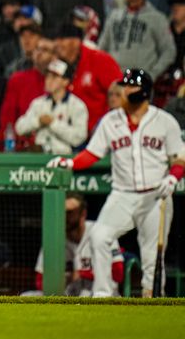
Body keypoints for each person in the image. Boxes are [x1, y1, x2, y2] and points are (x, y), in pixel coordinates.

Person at [48, 69, 183, 297]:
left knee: (152, 255)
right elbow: (92, 153)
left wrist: (173, 177)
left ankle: (152, 300)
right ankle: (103, 293)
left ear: (145, 92)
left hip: (155, 196)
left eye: (131, 86)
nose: (126, 90)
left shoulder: (164, 121)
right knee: (99, 236)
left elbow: (179, 156)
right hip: (122, 194)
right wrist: (71, 163)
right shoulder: (111, 120)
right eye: (125, 86)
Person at [33, 194, 124, 297]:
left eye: (70, 212)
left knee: (84, 293)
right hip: (68, 294)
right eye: (62, 212)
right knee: (26, 296)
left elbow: (118, 274)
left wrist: (83, 274)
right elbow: (39, 281)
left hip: (102, 294)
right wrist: (63, 279)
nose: (65, 216)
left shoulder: (101, 233)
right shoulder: (54, 239)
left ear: (83, 213)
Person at [98, 0, 175, 81]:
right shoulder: (114, 15)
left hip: (139, 79)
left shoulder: (157, 18)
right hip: (113, 77)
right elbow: (102, 46)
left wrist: (152, 74)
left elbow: (169, 51)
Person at [54, 24, 122, 134]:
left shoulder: (100, 60)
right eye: (56, 40)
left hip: (99, 134)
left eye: (62, 40)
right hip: (66, 135)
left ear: (76, 41)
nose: (57, 44)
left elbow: (121, 94)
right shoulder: (57, 64)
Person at [15, 59, 88, 154]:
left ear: (65, 81)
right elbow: (19, 128)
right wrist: (38, 121)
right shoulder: (38, 103)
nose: (48, 80)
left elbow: (79, 138)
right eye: (47, 76)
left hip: (64, 157)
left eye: (54, 77)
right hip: (39, 156)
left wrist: (53, 123)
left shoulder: (77, 105)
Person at [0, 35, 55, 130]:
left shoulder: (63, 82)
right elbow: (7, 117)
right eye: (37, 49)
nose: (39, 53)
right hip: (23, 138)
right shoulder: (18, 79)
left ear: (55, 56)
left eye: (45, 50)